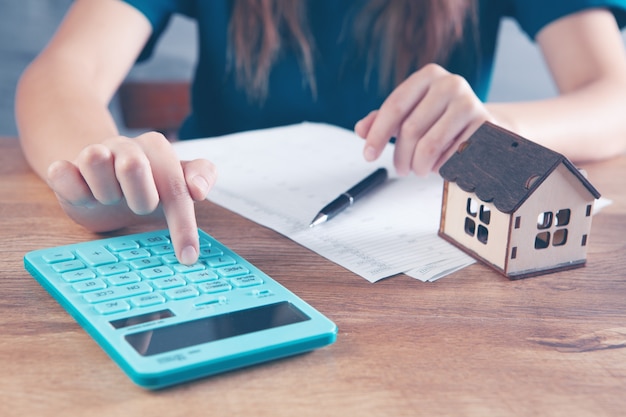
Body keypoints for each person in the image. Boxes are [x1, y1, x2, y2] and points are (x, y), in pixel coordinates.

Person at [15, 0, 626, 266]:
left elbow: (614, 93)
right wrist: (100, 164)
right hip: (222, 239)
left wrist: (501, 128)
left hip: (406, 272)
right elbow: (63, 71)